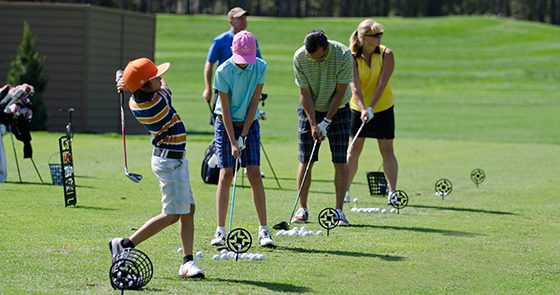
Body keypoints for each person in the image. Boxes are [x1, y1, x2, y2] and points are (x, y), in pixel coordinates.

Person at [112, 58, 205, 279]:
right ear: (144, 86)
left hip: (172, 160)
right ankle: (125, 244)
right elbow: (165, 88)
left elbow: (140, 84)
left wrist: (123, 80)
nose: (160, 77)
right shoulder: (157, 102)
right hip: (170, 162)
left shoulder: (135, 100)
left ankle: (187, 261)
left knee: (188, 209)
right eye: (154, 77)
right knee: (173, 214)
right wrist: (124, 79)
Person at [209, 30, 275, 248]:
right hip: (225, 123)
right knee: (226, 173)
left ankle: (264, 230)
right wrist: (232, 141)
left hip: (250, 123)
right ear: (232, 52)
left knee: (254, 173)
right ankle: (220, 230)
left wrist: (244, 135)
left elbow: (254, 102)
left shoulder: (260, 66)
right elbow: (225, 109)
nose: (244, 64)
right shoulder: (223, 71)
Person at [291, 30, 353, 226]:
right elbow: (304, 93)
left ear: (325, 49)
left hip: (340, 109)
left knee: (340, 160)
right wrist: (313, 123)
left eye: (319, 57)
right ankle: (302, 209)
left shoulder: (343, 55)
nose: (316, 61)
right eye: (312, 58)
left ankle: (339, 212)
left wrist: (326, 122)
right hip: (310, 109)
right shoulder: (300, 57)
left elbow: (340, 91)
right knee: (305, 160)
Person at [346, 19, 398, 205]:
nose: (379, 38)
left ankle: (392, 193)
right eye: (375, 35)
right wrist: (362, 109)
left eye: (380, 35)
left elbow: (382, 84)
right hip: (357, 108)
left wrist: (371, 107)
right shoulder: (350, 56)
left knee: (387, 150)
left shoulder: (386, 54)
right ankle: (344, 190)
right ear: (364, 37)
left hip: (383, 107)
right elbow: (355, 87)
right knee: (353, 150)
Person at [202, 6, 262, 124]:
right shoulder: (221, 40)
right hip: (224, 86)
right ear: (230, 20)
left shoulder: (251, 40)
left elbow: (257, 64)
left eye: (244, 18)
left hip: (245, 87)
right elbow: (209, 64)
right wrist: (208, 88)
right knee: (221, 121)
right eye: (239, 18)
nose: (243, 20)